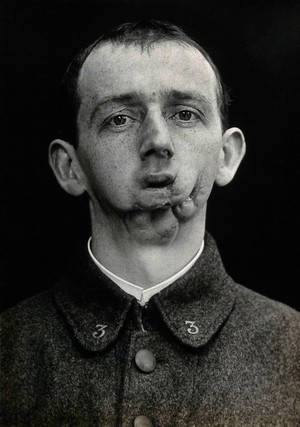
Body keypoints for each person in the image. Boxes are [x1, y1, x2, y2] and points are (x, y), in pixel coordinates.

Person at [1, 21, 299, 427]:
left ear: (226, 156)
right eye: (120, 119)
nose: (157, 140)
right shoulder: (8, 348)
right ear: (70, 168)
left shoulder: (292, 346)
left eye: (185, 114)